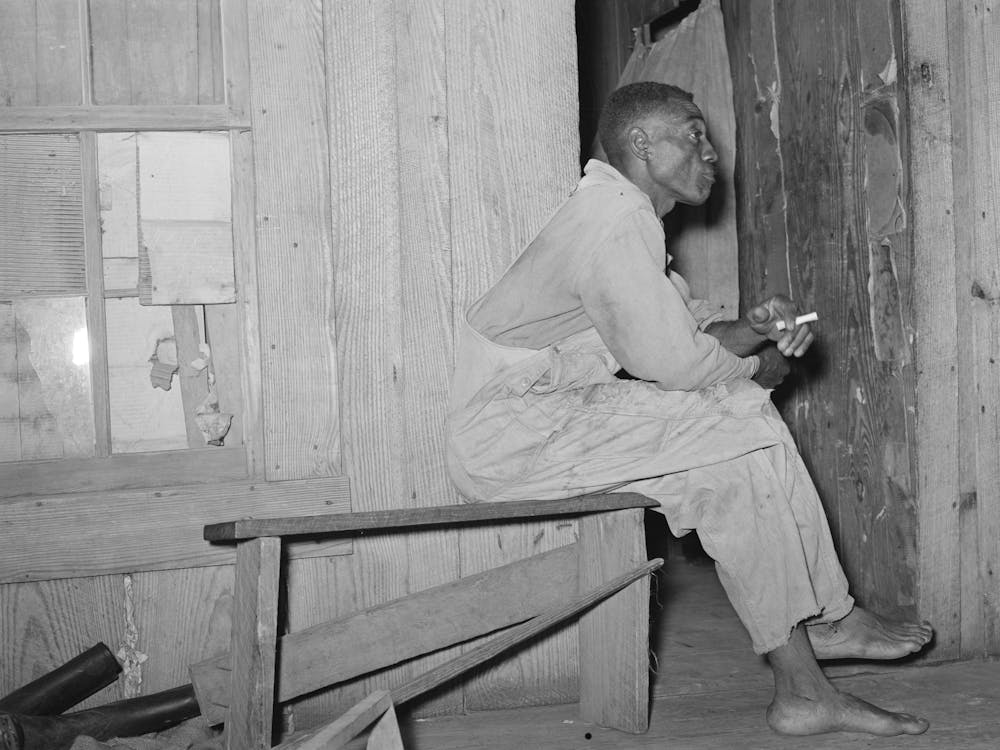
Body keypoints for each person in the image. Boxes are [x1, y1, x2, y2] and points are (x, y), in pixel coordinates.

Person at [445, 81, 934, 736]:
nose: (711, 153)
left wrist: (757, 330)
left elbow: (688, 337)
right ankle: (830, 618)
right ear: (640, 143)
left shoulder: (618, 217)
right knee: (738, 413)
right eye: (694, 133)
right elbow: (677, 366)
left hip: (545, 417)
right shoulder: (614, 223)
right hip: (511, 429)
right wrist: (760, 367)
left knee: (729, 470)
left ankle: (803, 693)